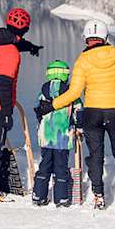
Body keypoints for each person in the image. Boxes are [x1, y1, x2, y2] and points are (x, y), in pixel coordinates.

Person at [51, 19, 115, 209]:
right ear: (105, 37)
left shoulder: (83, 60)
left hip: (93, 113)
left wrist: (52, 104)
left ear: (86, 38)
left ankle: (98, 195)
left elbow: (74, 93)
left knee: (96, 156)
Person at [0, 7, 42, 201]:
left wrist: (30, 47)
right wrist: (6, 113)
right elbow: (4, 84)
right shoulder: (12, 54)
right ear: (26, 28)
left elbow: (13, 40)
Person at [32, 59, 82, 207]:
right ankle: (61, 198)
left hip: (46, 136)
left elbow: (37, 110)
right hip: (63, 137)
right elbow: (79, 112)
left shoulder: (42, 93)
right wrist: (79, 128)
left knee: (45, 164)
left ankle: (39, 196)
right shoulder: (71, 93)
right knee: (61, 167)